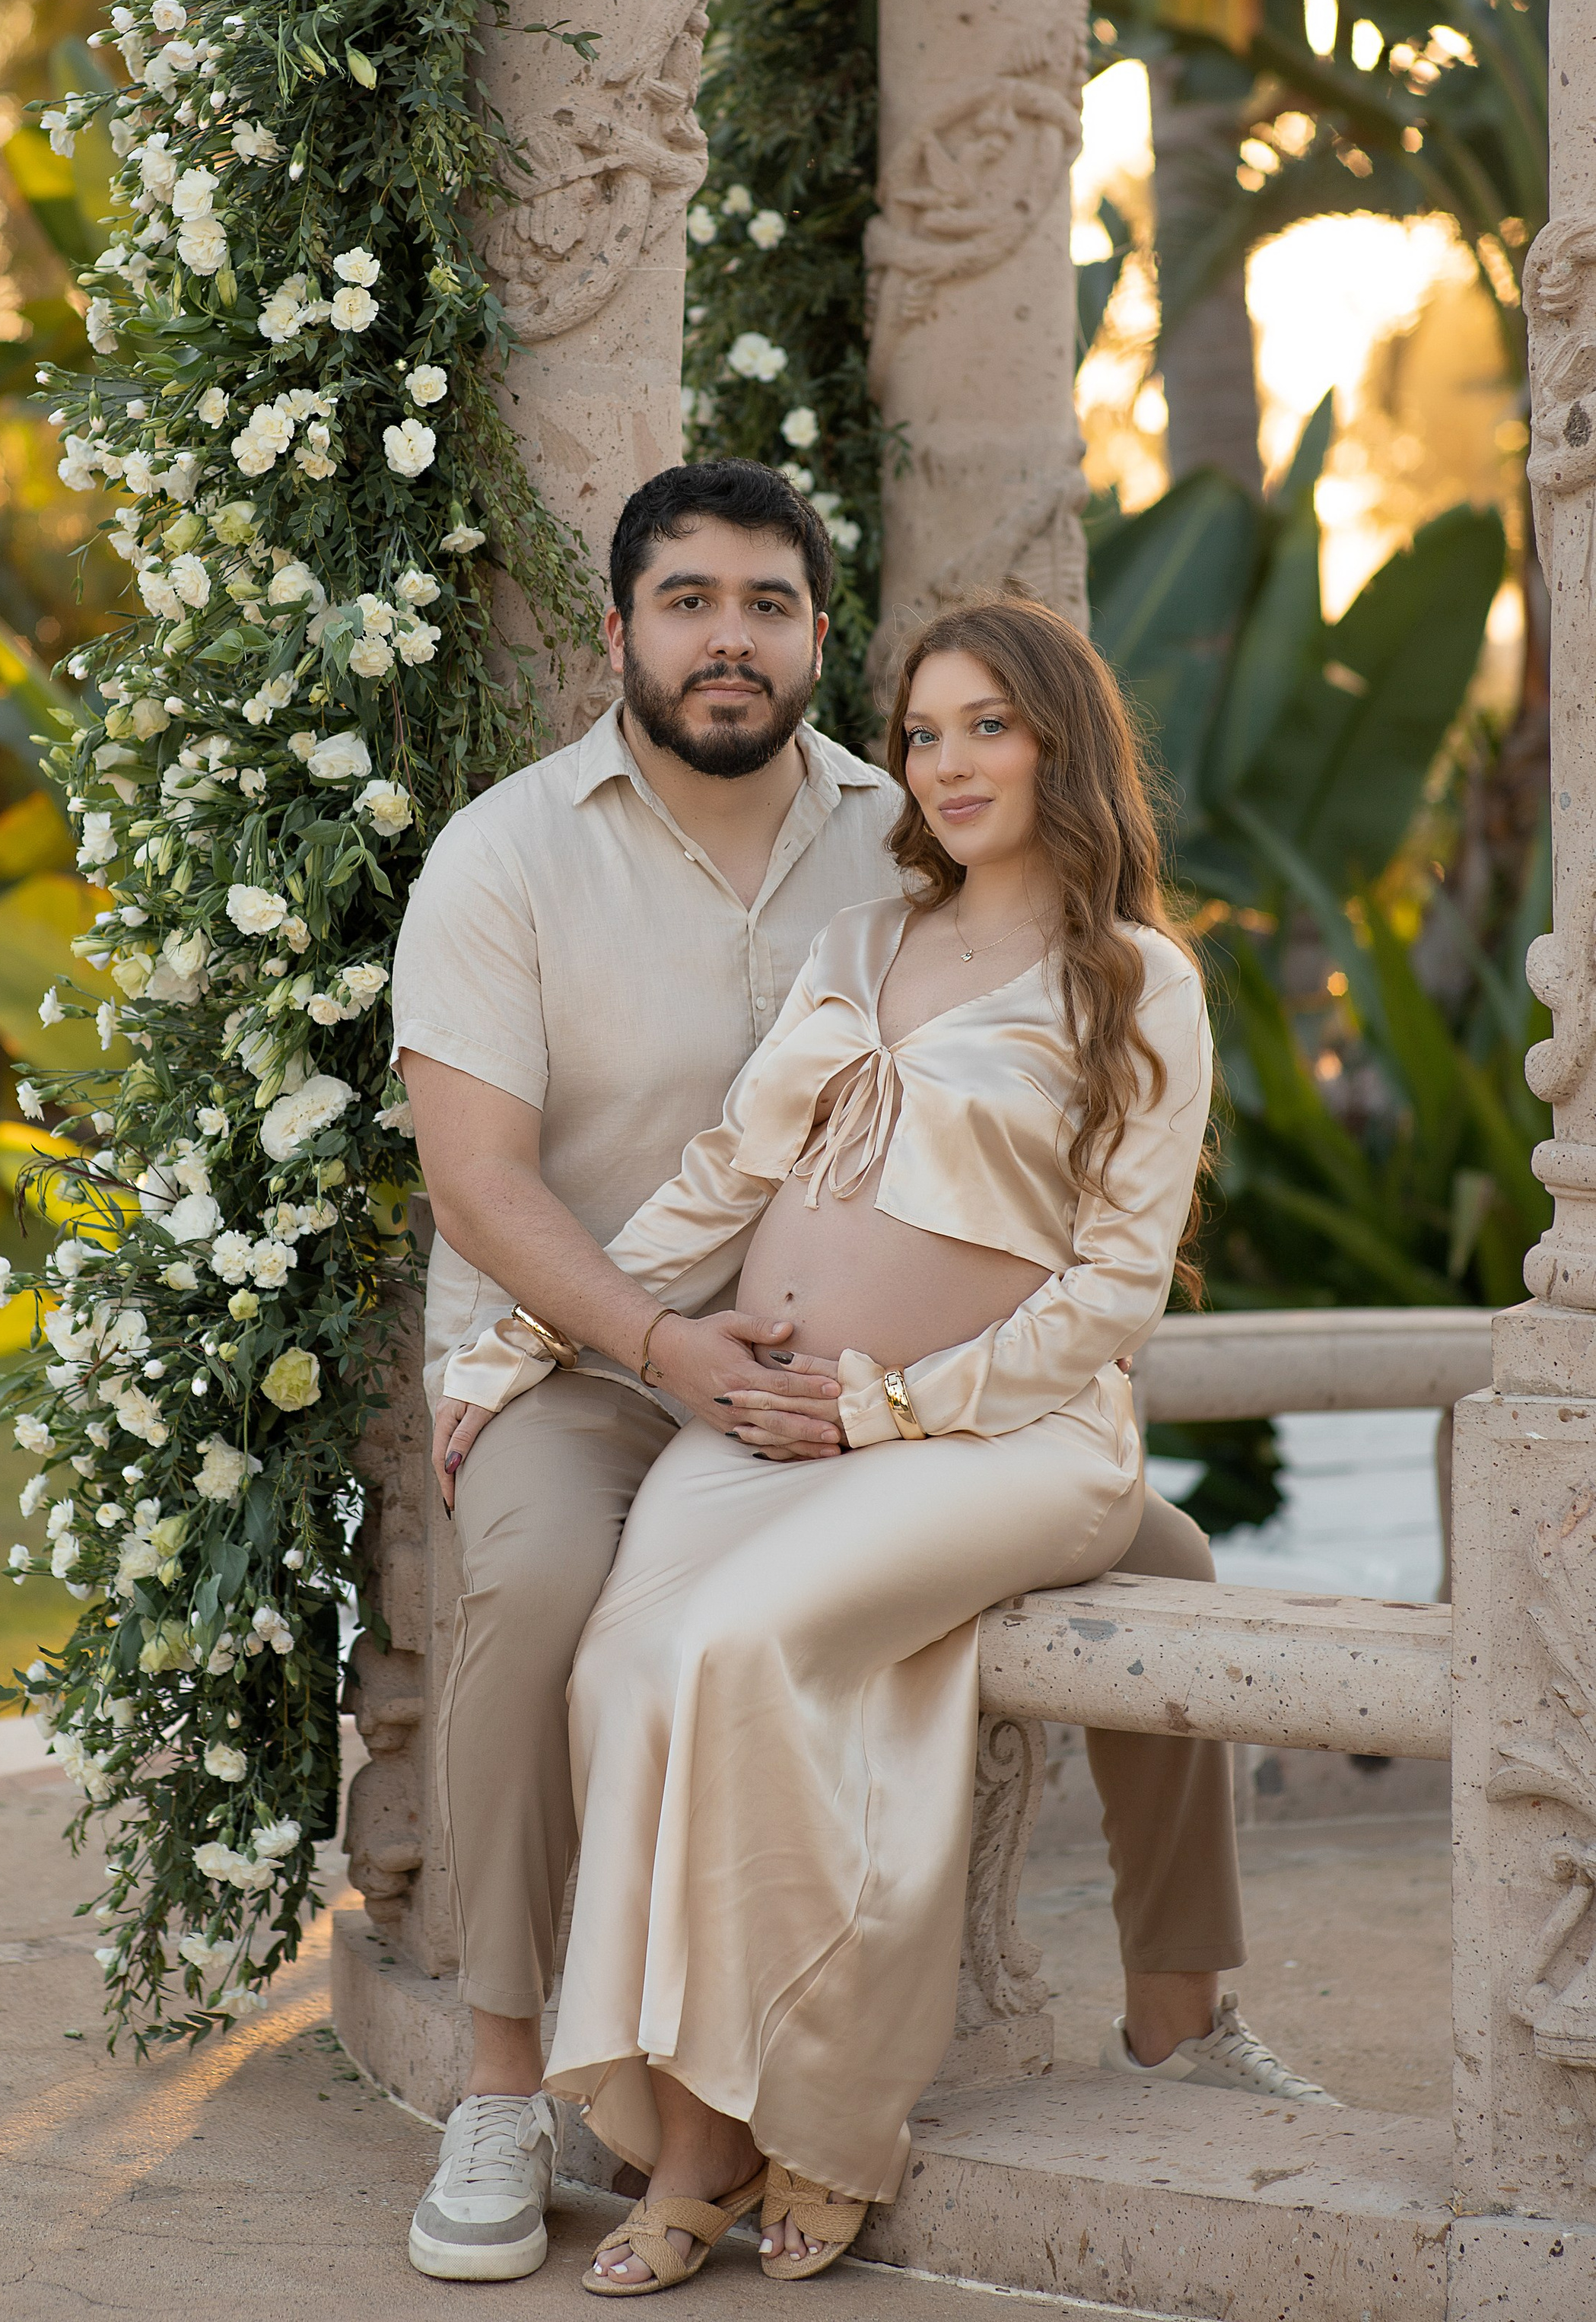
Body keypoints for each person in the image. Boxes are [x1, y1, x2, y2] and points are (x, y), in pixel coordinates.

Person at [391, 463, 1331, 2290]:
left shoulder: (1024, 916)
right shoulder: (534, 855)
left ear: (815, 634)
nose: (727, 635)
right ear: (621, 631)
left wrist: (883, 1403)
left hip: (931, 1413)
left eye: (766, 603)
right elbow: (580, 1178)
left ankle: (1166, 2014)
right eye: (687, 601)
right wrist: (537, 1344)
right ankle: (538, 2092)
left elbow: (1105, 1280)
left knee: (1171, 1575)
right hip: (640, 1355)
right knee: (565, 1609)